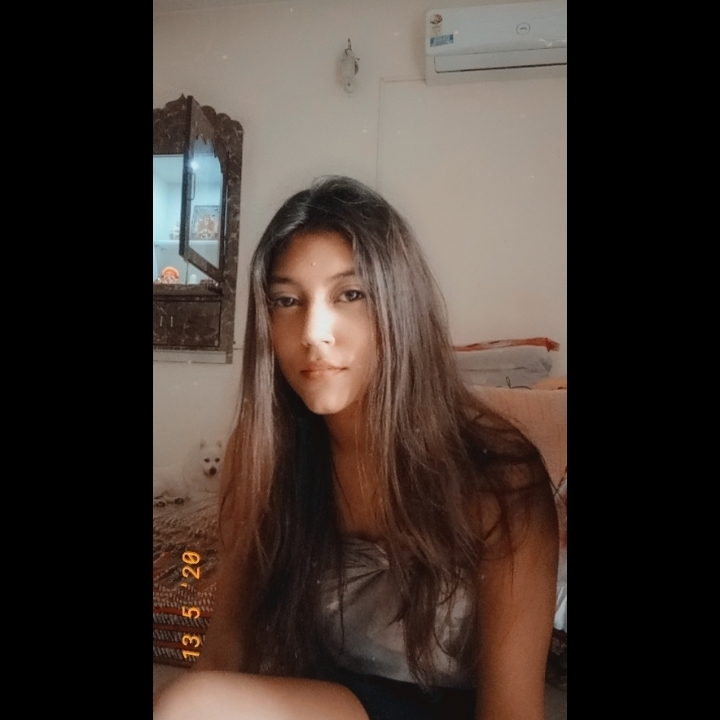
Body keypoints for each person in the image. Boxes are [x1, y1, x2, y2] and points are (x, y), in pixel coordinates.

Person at [153, 176, 559, 720]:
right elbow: (225, 649)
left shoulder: (501, 477)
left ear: (399, 306)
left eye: (350, 294)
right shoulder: (262, 459)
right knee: (189, 704)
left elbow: (512, 709)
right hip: (331, 704)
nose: (314, 331)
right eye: (286, 300)